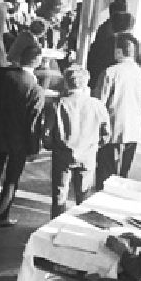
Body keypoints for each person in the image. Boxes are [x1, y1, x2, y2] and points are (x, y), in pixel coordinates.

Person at [0, 45, 46, 227]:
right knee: (12, 177)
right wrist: (34, 148)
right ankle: (2, 215)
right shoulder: (35, 89)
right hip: (19, 138)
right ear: (38, 62)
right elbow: (33, 122)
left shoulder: (2, 74)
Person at [43, 67, 111, 217]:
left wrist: (52, 146)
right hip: (87, 156)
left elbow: (47, 134)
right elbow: (106, 135)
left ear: (66, 83)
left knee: (59, 195)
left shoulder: (57, 105)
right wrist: (95, 146)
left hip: (62, 155)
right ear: (86, 84)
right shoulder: (97, 105)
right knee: (84, 196)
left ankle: (56, 226)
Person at [94, 33, 141, 188]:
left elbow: (99, 103)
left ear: (119, 51)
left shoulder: (110, 72)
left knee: (106, 173)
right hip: (134, 129)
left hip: (113, 129)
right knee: (123, 174)